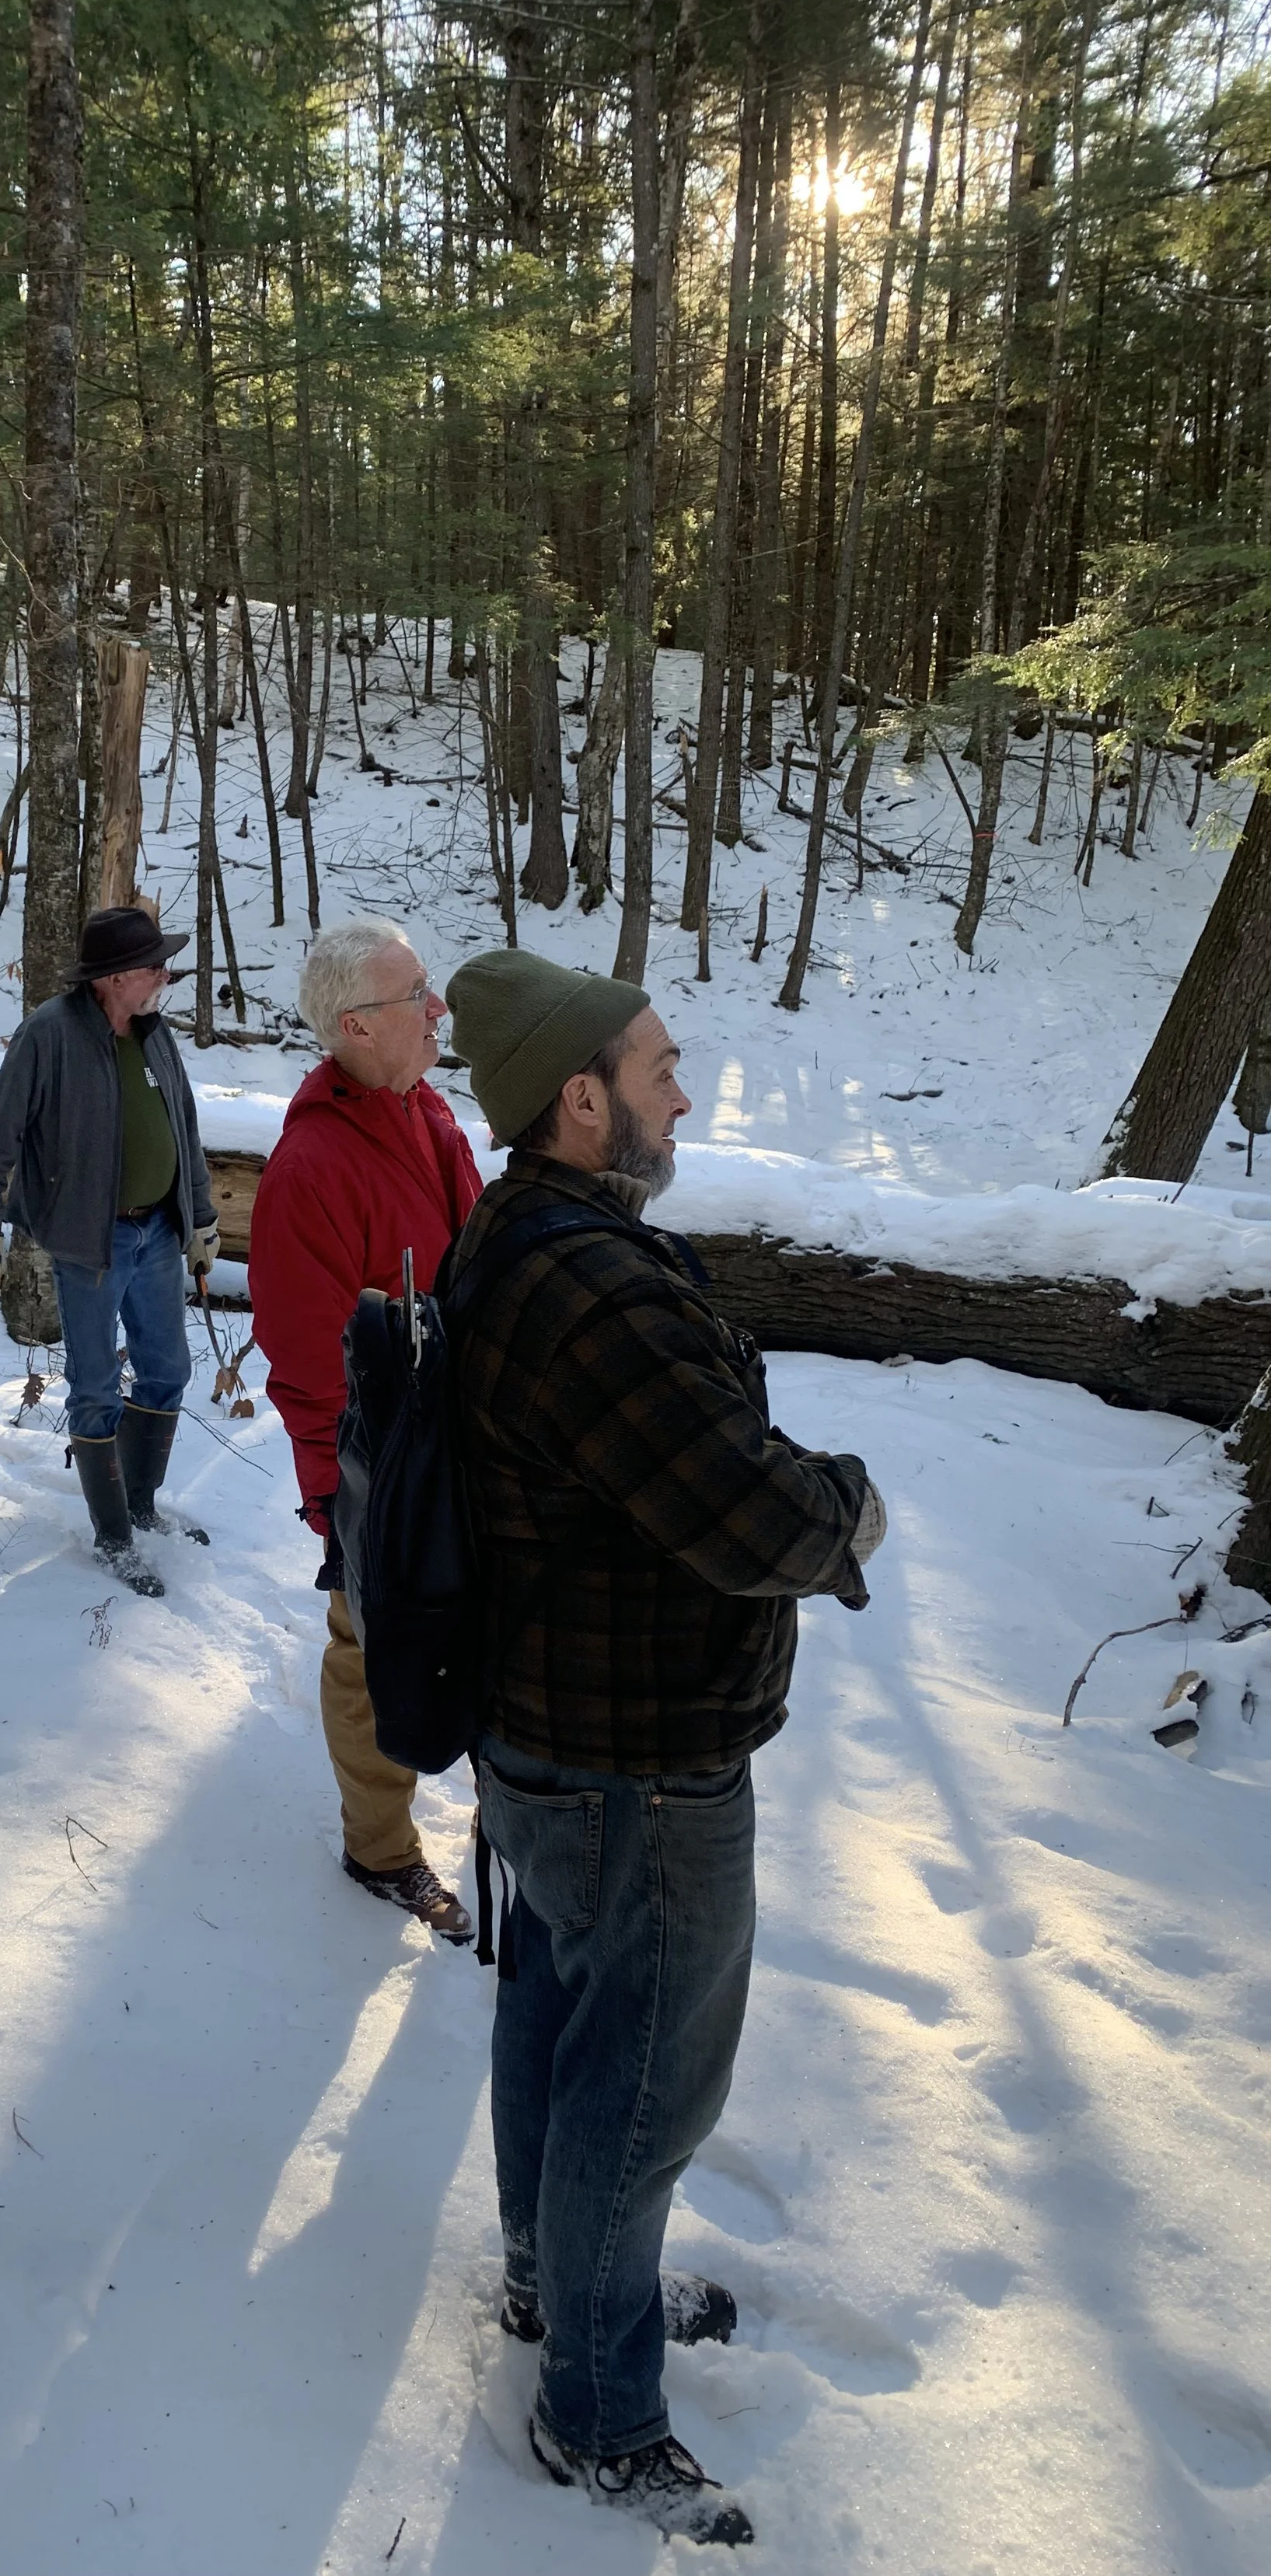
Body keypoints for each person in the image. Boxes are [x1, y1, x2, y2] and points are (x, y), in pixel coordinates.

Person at [442, 948, 886, 2550]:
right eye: (653, 1065)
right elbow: (749, 1514)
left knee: (560, 2010)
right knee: (637, 2089)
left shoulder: (524, 1233)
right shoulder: (593, 1291)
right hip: (629, 1763)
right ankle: (601, 2412)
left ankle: (556, 2275)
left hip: (555, 1741)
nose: (679, 1089)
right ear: (576, 1099)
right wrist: (851, 1504)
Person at [251, 918, 482, 1942]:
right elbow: (306, 1362)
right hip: (382, 1471)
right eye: (414, 996)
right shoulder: (312, 1168)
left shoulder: (425, 1111)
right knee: (369, 1648)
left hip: (465, 1446)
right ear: (355, 1026)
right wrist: (340, 1500)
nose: (438, 1010)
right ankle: (379, 1848)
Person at [0, 906, 221, 1597]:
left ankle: (140, 1504)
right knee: (97, 1386)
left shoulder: (154, 1034)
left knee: (168, 1369)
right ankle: (113, 1537)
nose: (165, 976)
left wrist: (199, 1218)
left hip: (160, 1234)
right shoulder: (48, 1034)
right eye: (152, 966)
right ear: (111, 978)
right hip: (89, 1239)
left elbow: (183, 1129)